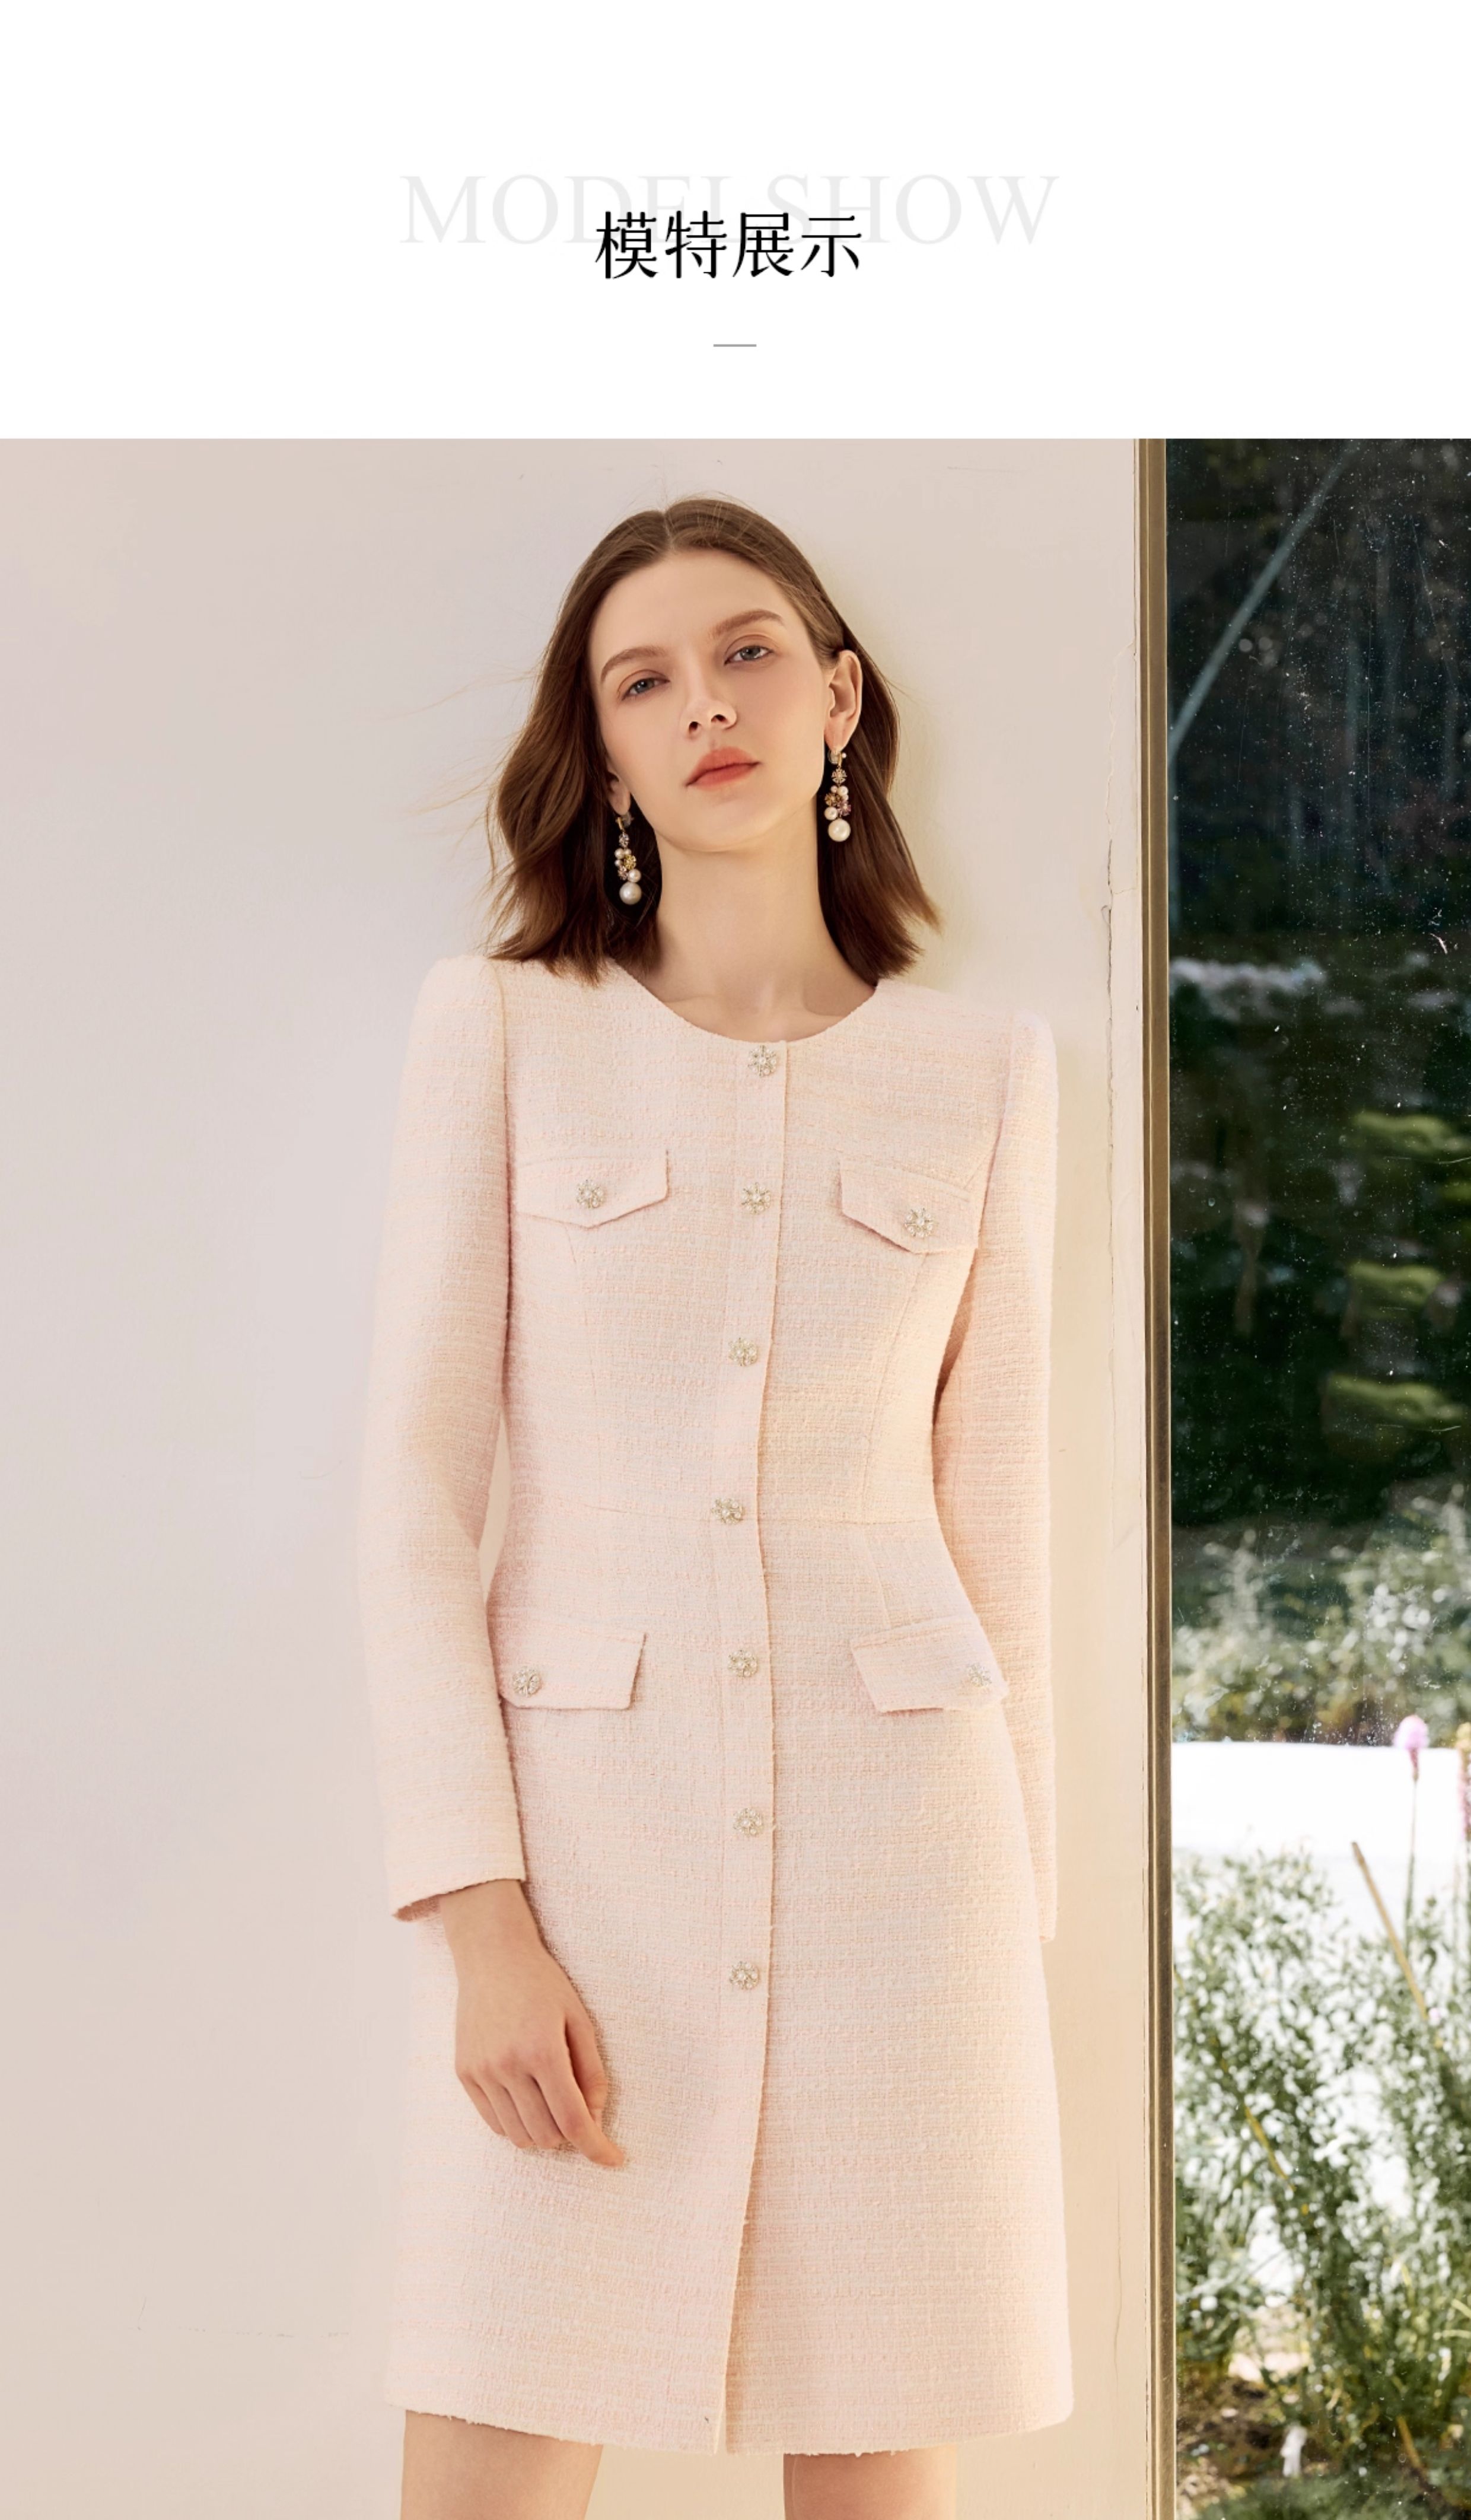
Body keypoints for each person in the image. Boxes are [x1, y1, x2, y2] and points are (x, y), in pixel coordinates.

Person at [357, 494, 1072, 2520]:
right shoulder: (505, 1030)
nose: (706, 706)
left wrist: (1011, 1949)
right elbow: (416, 1496)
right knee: (493, 2434)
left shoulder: (989, 1072)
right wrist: (482, 1923)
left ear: (838, 698)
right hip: (590, 1872)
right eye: (643, 679)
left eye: (749, 653)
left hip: (905, 1889)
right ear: (602, 750)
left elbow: (1000, 1519)